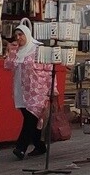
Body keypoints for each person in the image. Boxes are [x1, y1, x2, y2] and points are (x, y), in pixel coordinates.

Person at [5, 21, 54, 159]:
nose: (18, 37)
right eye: (16, 35)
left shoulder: (38, 49)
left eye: (21, 34)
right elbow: (8, 66)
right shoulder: (18, 51)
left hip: (37, 90)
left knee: (31, 119)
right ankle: (39, 146)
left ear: (27, 34)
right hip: (21, 90)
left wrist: (52, 89)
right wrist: (11, 52)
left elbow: (49, 70)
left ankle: (20, 148)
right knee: (29, 118)